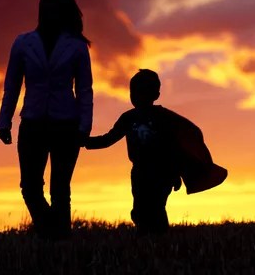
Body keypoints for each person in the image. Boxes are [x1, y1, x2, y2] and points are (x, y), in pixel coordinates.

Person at [0, 0, 93, 240]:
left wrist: (84, 126)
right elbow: (12, 86)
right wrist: (4, 122)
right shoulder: (23, 43)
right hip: (32, 123)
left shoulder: (77, 46)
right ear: (42, 7)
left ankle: (57, 244)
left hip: (66, 124)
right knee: (30, 187)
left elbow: (85, 90)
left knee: (60, 189)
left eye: (58, 6)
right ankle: (56, 235)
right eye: (49, 5)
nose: (53, 10)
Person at [83, 69, 226, 235]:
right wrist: (86, 142)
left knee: (157, 208)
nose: (137, 97)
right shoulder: (128, 118)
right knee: (139, 209)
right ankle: (145, 238)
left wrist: (175, 174)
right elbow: (109, 138)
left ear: (155, 95)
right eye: (134, 92)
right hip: (139, 172)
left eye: (143, 92)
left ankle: (159, 239)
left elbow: (174, 147)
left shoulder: (165, 118)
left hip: (162, 173)